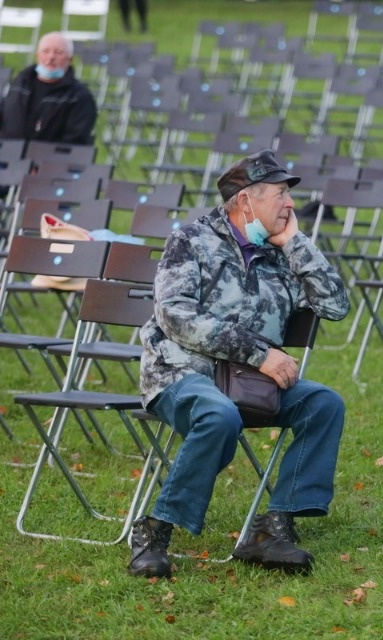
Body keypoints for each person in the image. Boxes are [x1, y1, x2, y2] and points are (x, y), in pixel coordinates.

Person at [128, 149, 350, 578]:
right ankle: (154, 531)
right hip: (181, 374)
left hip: (249, 383)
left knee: (323, 404)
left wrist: (297, 244)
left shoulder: (282, 253)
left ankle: (272, 528)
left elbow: (336, 307)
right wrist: (260, 353)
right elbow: (176, 315)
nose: (291, 204)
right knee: (218, 414)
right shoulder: (190, 241)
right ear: (246, 200)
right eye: (281, 195)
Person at [0, 32, 97, 245]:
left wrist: (41, 165)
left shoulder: (80, 97)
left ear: (69, 60)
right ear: (37, 55)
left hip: (50, 172)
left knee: (50, 212)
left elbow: (75, 143)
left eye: (58, 52)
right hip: (8, 163)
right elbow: (1, 109)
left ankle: (38, 252)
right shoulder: (21, 82)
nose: (51, 57)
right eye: (46, 51)